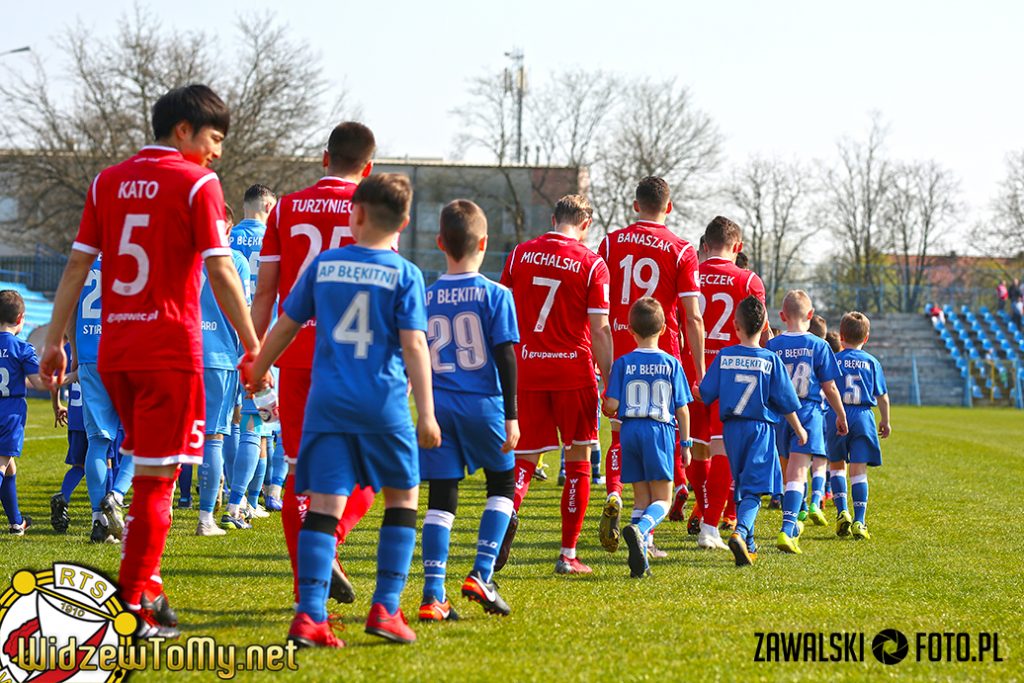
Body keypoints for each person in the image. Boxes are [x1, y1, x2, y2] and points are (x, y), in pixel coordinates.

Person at [39, 84, 261, 639]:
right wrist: (254, 343)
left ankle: (152, 586)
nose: (217, 153)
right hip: (169, 352)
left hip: (113, 353)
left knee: (143, 472)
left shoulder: (106, 181)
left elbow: (73, 268)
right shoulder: (197, 183)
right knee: (157, 484)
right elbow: (221, 269)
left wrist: (56, 341)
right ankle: (133, 605)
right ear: (183, 130)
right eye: (214, 138)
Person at [242, 172, 440, 648]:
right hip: (383, 403)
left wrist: (257, 366)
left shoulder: (325, 264)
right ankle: (386, 609)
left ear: (355, 215)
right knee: (402, 498)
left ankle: (310, 617)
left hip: (326, 401)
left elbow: (287, 324)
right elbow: (414, 344)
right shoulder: (405, 273)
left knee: (325, 505)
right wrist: (427, 413)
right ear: (405, 223)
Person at [251, 123, 380, 605]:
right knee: (371, 462)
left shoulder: (285, 206)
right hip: (352, 354)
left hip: (296, 352)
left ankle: (314, 569)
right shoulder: (369, 210)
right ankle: (326, 546)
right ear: (368, 167)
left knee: (298, 469)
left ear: (325, 158)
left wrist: (256, 351)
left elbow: (265, 291)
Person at [498, 194, 612, 575]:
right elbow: (599, 328)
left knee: (525, 459)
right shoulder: (592, 263)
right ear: (586, 225)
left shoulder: (519, 254)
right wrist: (608, 378)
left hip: (526, 367)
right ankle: (567, 555)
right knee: (578, 459)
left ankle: (506, 516)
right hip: (572, 372)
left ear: (552, 218)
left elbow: (504, 313)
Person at [418, 200, 520, 620]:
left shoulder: (425, 296)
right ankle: (481, 572)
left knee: (442, 497)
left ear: (441, 242)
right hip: (484, 405)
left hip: (438, 406)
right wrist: (511, 415)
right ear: (484, 242)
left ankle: (431, 596)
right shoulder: (496, 294)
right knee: (502, 486)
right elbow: (506, 357)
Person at [596, 177, 704, 554]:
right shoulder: (681, 249)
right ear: (669, 207)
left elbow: (597, 305)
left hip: (620, 347)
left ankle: (615, 493)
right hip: (663, 352)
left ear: (636, 205)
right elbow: (692, 316)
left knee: (618, 430)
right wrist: (700, 368)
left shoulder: (610, 242)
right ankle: (649, 524)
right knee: (664, 435)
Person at [698, 296, 806, 566]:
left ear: (735, 326)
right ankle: (741, 532)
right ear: (765, 326)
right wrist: (799, 429)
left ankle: (750, 544)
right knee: (755, 490)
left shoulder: (725, 356)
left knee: (742, 483)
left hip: (731, 429)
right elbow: (785, 402)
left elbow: (706, 394)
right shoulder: (769, 360)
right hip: (760, 429)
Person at [688, 217, 767, 550]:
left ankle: (704, 510)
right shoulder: (749, 280)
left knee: (697, 450)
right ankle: (710, 525)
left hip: (692, 372)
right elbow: (757, 333)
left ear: (705, 245)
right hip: (734, 377)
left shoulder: (690, 273)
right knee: (723, 451)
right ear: (739, 247)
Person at [601, 298, 692, 578]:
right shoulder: (671, 363)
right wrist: (685, 445)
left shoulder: (623, 362)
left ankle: (643, 553)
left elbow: (612, 405)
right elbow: (682, 408)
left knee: (641, 499)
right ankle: (640, 531)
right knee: (663, 500)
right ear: (664, 329)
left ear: (630, 330)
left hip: (630, 432)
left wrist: (607, 407)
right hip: (659, 430)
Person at [766, 291, 849, 554]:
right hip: (808, 412)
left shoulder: (773, 346)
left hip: (779, 415)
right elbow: (830, 386)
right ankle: (788, 528)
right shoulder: (819, 345)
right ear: (810, 315)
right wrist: (841, 414)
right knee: (799, 474)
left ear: (782, 316)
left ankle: (792, 521)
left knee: (787, 471)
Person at [71, 254, 136, 543]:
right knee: (141, 438)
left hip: (88, 355)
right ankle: (117, 495)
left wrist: (75, 352)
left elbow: (71, 309)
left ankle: (99, 520)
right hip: (124, 354)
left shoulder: (83, 260)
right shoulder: (130, 254)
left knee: (98, 441)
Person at [195, 206, 251, 536]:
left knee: (172, 439)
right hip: (218, 355)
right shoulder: (234, 259)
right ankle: (205, 519)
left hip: (183, 353)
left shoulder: (186, 254)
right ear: (227, 229)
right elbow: (240, 307)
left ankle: (159, 511)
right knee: (215, 437)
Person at [825, 312, 891, 541]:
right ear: (867, 337)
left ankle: (842, 511)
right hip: (863, 415)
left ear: (841, 336)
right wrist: (885, 420)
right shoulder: (872, 362)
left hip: (837, 413)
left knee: (836, 465)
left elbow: (827, 388)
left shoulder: (834, 359)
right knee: (859, 470)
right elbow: (882, 396)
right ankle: (860, 521)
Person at [0, 290, 48, 535]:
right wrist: (65, 377)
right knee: (1, 464)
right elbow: (39, 383)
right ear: (20, 319)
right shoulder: (22, 348)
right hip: (10, 413)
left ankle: (17, 522)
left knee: (10, 467)